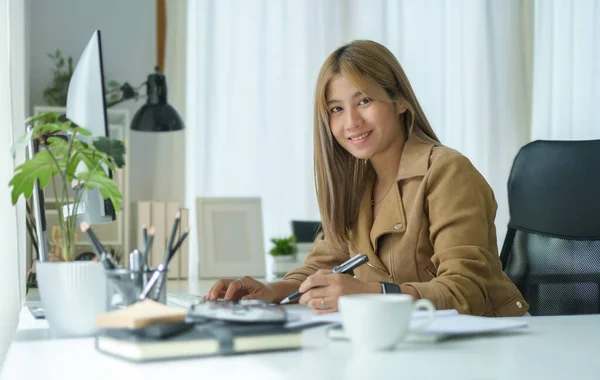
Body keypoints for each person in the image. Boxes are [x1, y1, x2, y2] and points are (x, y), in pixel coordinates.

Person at [203, 40, 529, 317]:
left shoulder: (447, 172)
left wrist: (369, 294)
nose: (351, 121)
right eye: (336, 109)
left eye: (364, 101)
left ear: (399, 101)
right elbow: (321, 266)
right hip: (406, 345)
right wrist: (269, 290)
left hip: (489, 341)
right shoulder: (357, 185)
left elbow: (465, 291)